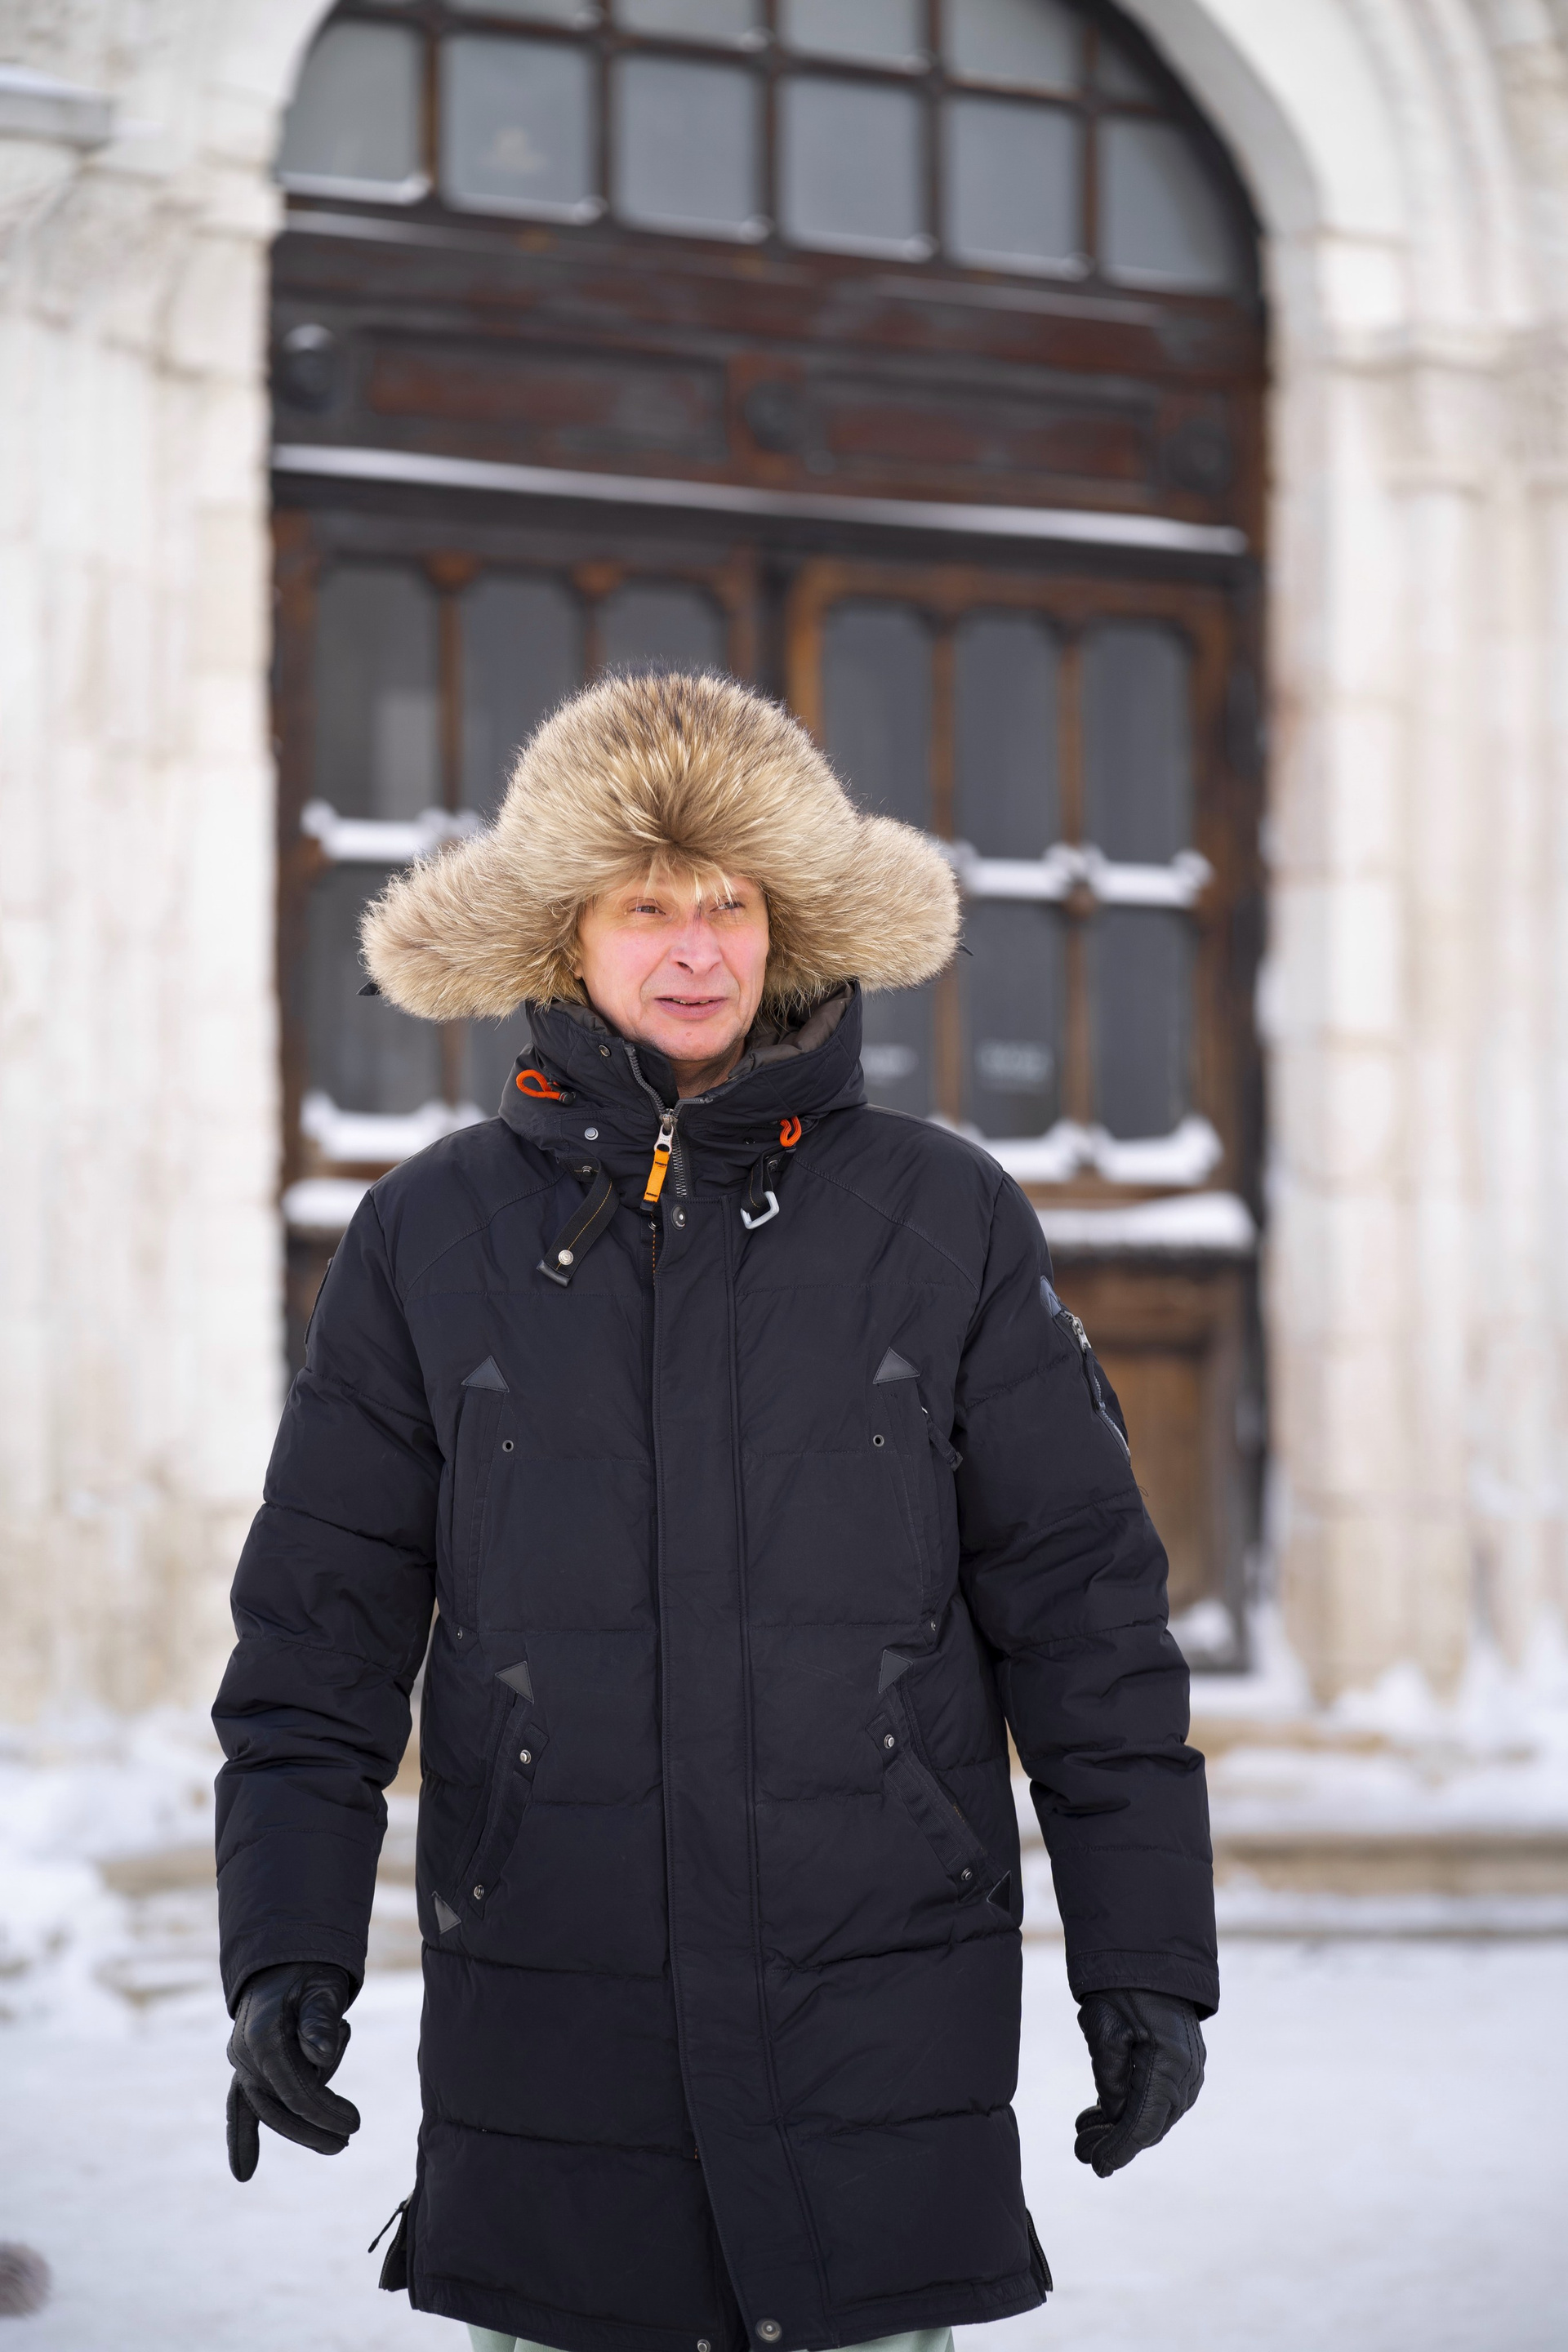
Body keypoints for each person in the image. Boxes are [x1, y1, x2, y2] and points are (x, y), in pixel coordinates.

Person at [213, 670, 1216, 2352]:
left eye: (731, 905)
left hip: (877, 2004)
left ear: (787, 923)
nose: (697, 951)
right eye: (647, 906)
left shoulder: (945, 1218)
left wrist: (1148, 1963)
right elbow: (321, 1625)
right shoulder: (427, 1238)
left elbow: (1083, 1613)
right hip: (556, 2008)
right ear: (566, 933)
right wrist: (282, 1948)